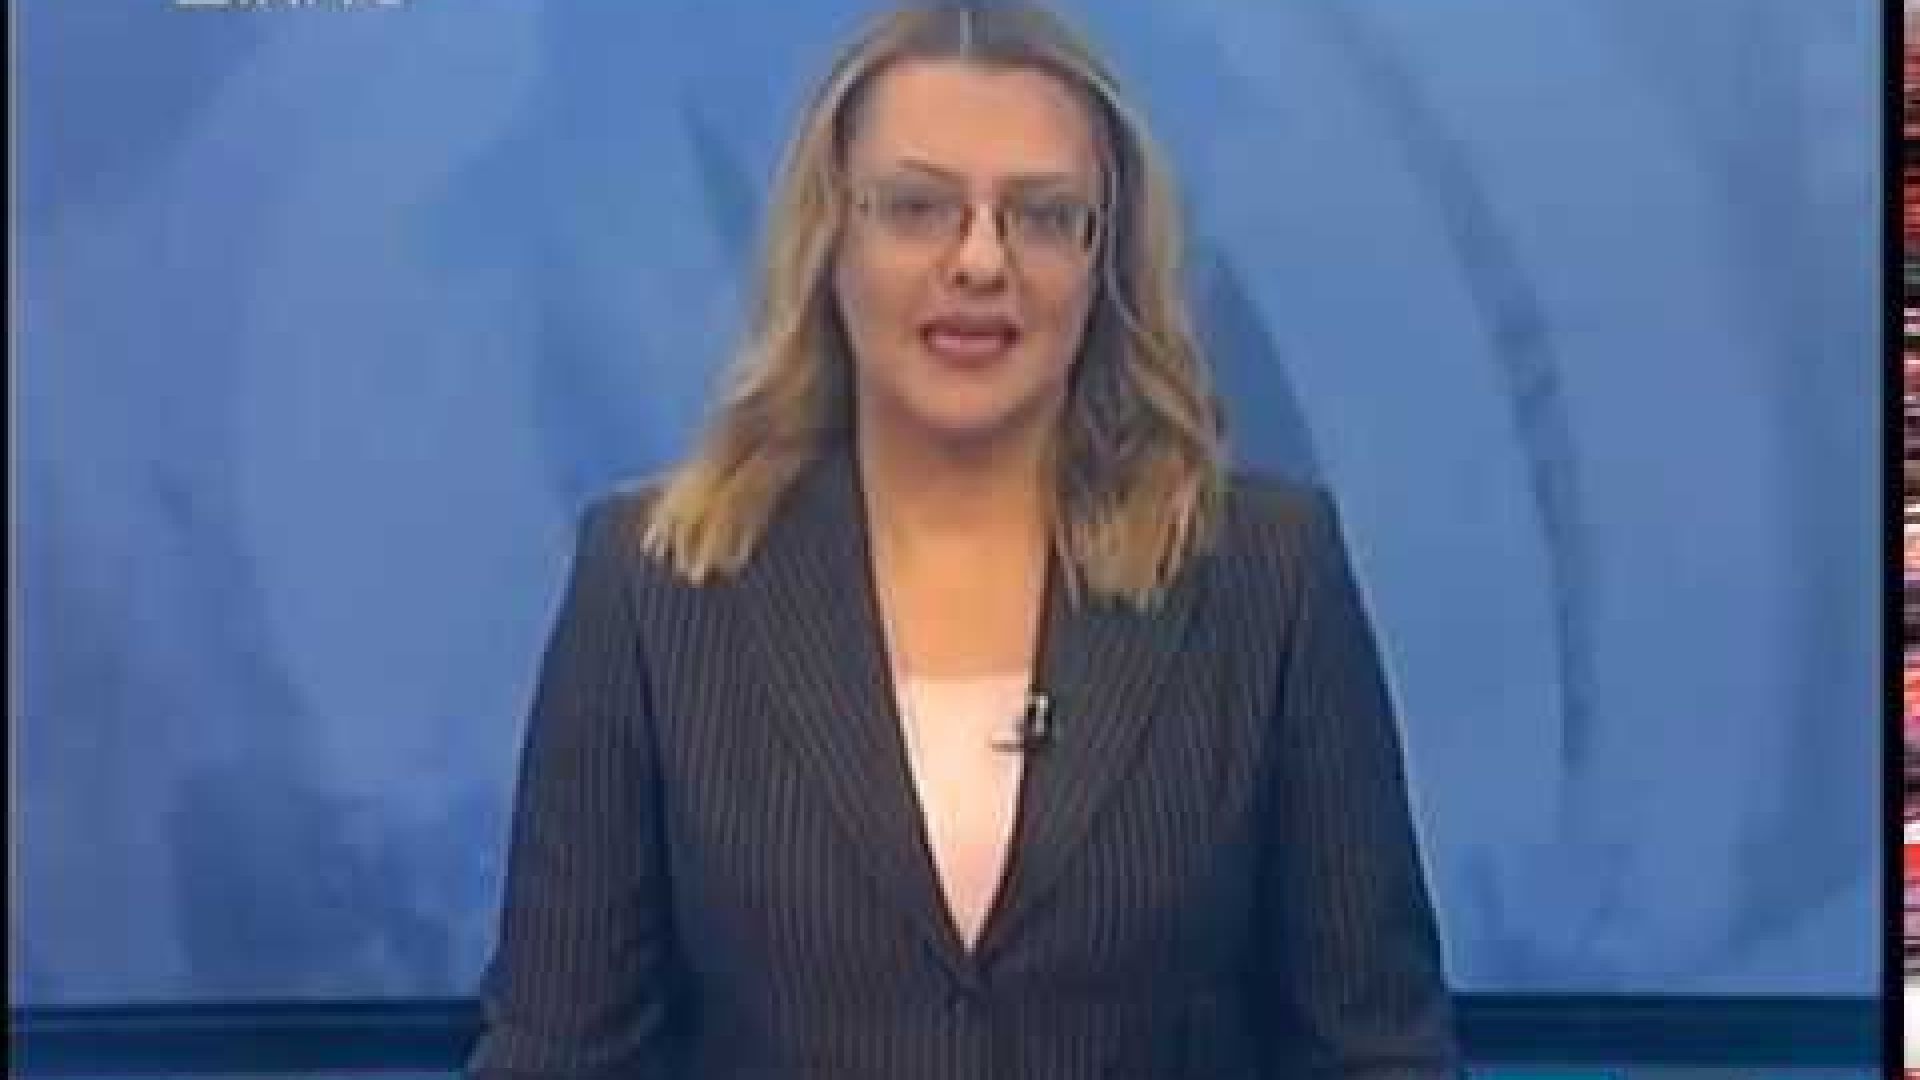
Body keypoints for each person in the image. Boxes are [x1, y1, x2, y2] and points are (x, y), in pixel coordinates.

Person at [466, 2, 1461, 1077]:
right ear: (830, 241)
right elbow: (557, 1053)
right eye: (917, 207)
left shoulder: (1268, 579)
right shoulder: (653, 587)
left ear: (1103, 258)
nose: (982, 260)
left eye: (1042, 215)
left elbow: (1376, 1050)